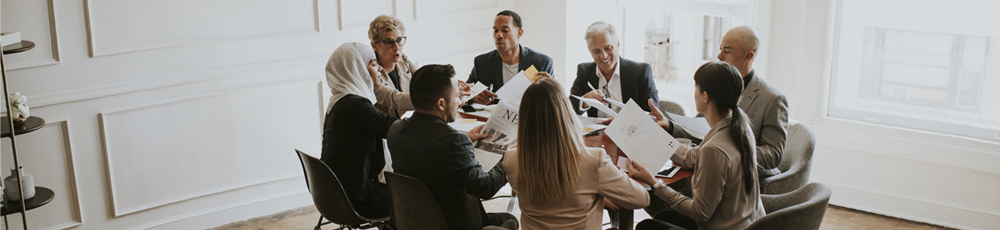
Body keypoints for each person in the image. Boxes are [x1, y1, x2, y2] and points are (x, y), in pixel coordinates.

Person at [628, 61, 765, 230]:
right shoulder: (739, 127)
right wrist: (655, 135)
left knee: (646, 227)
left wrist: (654, 183)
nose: (694, 94)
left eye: (696, 89)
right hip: (746, 222)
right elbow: (693, 156)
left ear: (705, 97)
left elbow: (700, 213)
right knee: (663, 216)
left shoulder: (715, 148)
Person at [503, 77, 649, 229]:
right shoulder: (594, 160)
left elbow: (550, 190)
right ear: (566, 113)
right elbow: (642, 199)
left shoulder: (511, 159)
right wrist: (599, 192)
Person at [387, 64, 517, 230]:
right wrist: (507, 156)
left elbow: (429, 149)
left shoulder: (395, 130)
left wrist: (465, 138)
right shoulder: (453, 142)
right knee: (510, 220)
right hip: (454, 223)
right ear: (441, 104)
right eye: (456, 96)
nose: (459, 101)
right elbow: (485, 188)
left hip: (415, 221)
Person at [661, 26, 788, 179]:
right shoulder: (715, 86)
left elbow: (773, 156)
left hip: (748, 178)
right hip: (709, 168)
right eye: (720, 49)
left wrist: (725, 150)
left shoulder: (773, 99)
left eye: (726, 51)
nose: (719, 56)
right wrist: (669, 125)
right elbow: (698, 131)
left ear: (748, 56)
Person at [320, 42, 396, 218]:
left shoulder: (340, 101)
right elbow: (392, 128)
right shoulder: (353, 105)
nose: (379, 69)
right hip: (355, 200)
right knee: (419, 192)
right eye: (373, 64)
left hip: (333, 194)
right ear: (357, 69)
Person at [570, 21, 659, 118]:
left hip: (629, 127)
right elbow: (567, 110)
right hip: (596, 128)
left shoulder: (641, 72)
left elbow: (652, 116)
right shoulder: (584, 71)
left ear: (618, 44)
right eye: (597, 51)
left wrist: (622, 120)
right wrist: (585, 101)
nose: (604, 56)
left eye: (608, 48)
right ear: (590, 51)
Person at [467, 10, 554, 105]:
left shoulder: (542, 63)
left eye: (505, 30)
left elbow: (554, 102)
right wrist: (474, 96)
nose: (498, 35)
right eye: (495, 30)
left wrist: (552, 88)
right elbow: (464, 94)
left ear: (519, 33)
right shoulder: (482, 62)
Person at [368, 15, 416, 118]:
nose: (397, 47)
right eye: (389, 42)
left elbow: (423, 78)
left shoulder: (403, 59)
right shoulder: (370, 70)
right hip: (384, 126)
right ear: (374, 46)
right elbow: (393, 98)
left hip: (407, 123)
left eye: (399, 40)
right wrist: (429, 101)